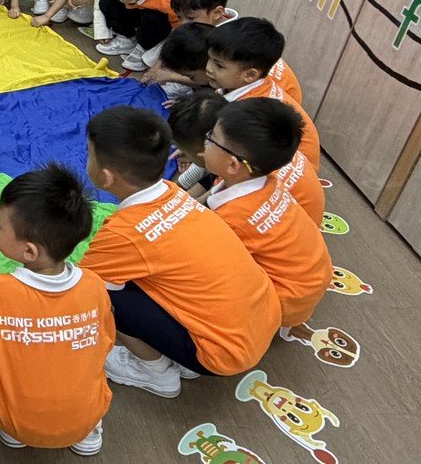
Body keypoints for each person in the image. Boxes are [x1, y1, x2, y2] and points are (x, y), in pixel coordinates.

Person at [79, 106, 280, 396]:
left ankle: (157, 372)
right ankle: (182, 350)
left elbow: (81, 286)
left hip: (224, 354)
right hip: (263, 319)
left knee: (100, 293)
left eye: (89, 155)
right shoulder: (173, 193)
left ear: (107, 177)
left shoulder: (124, 233)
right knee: (136, 277)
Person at [0, 164, 113, 456]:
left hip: (14, 421)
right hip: (83, 419)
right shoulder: (94, 286)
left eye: (0, 223)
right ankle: (85, 431)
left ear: (29, 251)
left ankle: (14, 429)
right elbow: (106, 343)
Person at [204, 100, 333, 329]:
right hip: (310, 281)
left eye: (211, 137)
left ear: (232, 164)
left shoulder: (233, 218)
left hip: (284, 302)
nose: (205, 142)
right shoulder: (267, 180)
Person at [168, 91, 324, 224]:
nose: (199, 153)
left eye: (210, 138)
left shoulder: (232, 213)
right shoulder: (253, 161)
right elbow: (210, 190)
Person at [158, 0, 303, 103]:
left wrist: (172, 78)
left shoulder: (229, 47)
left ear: (217, 13)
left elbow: (208, 78)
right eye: (179, 17)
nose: (183, 24)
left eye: (190, 18)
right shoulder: (223, 33)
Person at [205, 17, 320, 169]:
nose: (209, 68)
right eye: (209, 59)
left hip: (281, 171)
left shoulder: (248, 109)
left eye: (219, 65)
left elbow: (225, 151)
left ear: (250, 75)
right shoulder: (249, 85)